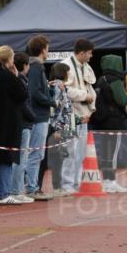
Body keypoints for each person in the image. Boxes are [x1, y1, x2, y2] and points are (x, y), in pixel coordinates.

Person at [0, 46, 27, 204]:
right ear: (9, 59)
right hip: (8, 122)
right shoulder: (8, 76)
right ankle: (3, 194)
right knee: (5, 157)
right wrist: (17, 76)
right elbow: (23, 94)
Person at [90, 54, 127, 193]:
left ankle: (107, 180)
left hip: (103, 121)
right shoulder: (115, 80)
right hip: (115, 121)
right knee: (113, 153)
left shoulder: (101, 79)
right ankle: (110, 181)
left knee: (106, 152)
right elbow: (122, 100)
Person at [61, 38, 97, 194]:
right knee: (70, 151)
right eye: (89, 53)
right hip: (70, 116)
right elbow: (64, 90)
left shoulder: (86, 67)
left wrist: (90, 110)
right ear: (81, 53)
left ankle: (76, 183)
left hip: (83, 115)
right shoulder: (66, 66)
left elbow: (90, 88)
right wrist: (84, 96)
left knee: (81, 152)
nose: (91, 56)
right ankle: (66, 184)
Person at [24, 35, 52, 200]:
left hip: (39, 115)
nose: (48, 51)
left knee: (37, 154)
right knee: (35, 154)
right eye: (47, 48)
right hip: (38, 116)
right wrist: (52, 101)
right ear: (42, 50)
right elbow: (35, 92)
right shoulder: (36, 67)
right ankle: (32, 188)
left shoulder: (36, 67)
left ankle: (32, 186)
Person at [46, 62, 76, 196]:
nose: (69, 74)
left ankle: (58, 186)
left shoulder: (60, 86)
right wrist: (57, 130)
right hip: (57, 128)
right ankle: (57, 187)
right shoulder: (57, 87)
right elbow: (55, 110)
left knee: (60, 157)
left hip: (61, 126)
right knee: (58, 158)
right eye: (67, 72)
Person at [9, 52, 35, 203]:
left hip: (19, 122)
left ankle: (15, 189)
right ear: (25, 65)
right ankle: (16, 190)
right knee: (20, 160)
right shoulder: (21, 80)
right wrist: (33, 117)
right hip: (23, 123)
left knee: (18, 159)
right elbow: (24, 103)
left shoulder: (18, 79)